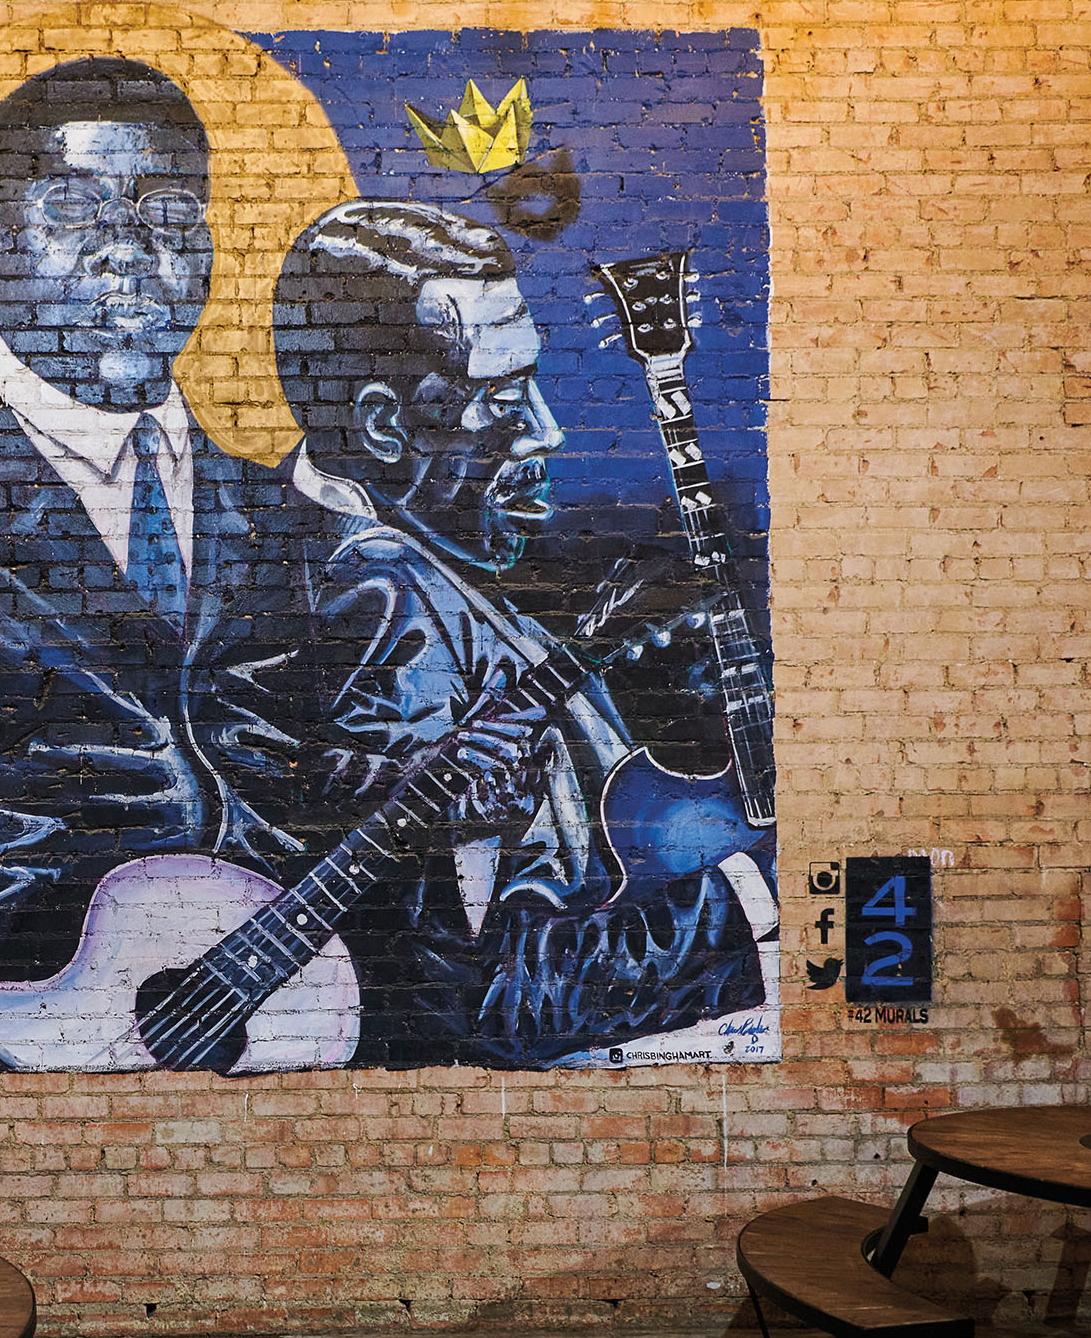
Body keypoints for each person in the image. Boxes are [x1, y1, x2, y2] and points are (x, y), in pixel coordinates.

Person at [0, 60, 539, 1073]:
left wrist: (438, 805)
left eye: (172, 212)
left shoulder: (288, 524)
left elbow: (290, 785)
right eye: (75, 207)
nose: (129, 249)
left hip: (269, 1065)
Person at [273, 198, 777, 1067]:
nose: (546, 428)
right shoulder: (384, 604)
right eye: (502, 398)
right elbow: (491, 997)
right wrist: (755, 892)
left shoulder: (404, 562)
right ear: (386, 427)